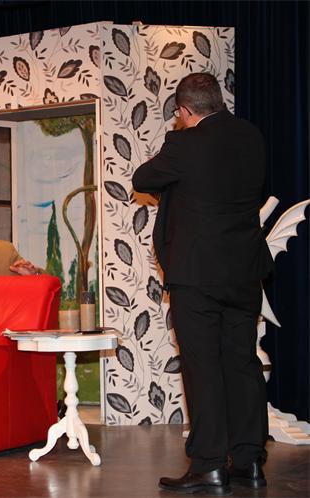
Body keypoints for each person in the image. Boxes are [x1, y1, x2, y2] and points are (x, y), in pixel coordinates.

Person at [132, 73, 273, 495]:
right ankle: (248, 461)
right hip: (244, 271)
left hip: (197, 274)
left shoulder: (184, 144)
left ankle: (209, 464)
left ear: (184, 110)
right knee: (242, 363)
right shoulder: (251, 137)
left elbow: (142, 179)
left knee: (203, 366)